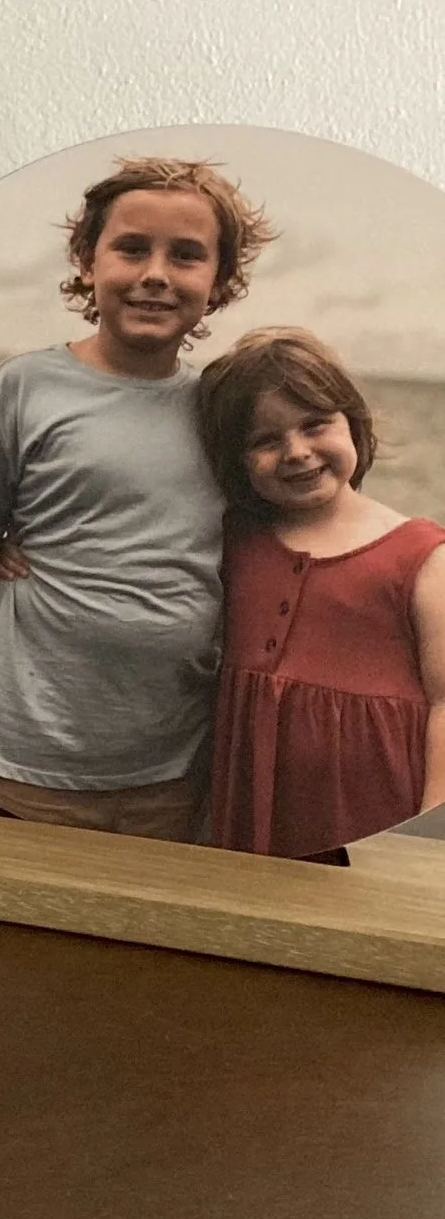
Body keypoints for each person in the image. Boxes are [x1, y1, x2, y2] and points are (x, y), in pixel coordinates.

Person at [0, 157, 274, 842]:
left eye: (187, 256)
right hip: (31, 751)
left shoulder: (222, 408)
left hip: (178, 760)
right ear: (86, 259)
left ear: (220, 283)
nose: (156, 274)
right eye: (132, 248)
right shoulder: (23, 388)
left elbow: (269, 538)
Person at [193, 329, 445, 861]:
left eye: (315, 425)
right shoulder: (232, 540)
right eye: (265, 441)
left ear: (352, 423)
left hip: (379, 821)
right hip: (251, 804)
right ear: (235, 461)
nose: (297, 452)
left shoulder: (421, 554)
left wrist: (426, 840)